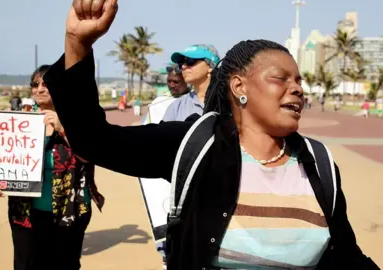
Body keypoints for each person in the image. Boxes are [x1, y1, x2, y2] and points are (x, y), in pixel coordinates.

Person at [42, 1, 380, 269]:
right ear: (239, 86)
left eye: (300, 82)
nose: (297, 90)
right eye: (282, 79)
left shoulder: (317, 163)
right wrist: (77, 43)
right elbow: (95, 141)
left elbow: (346, 256)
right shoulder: (197, 145)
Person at [0, 65, 104, 270]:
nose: (39, 89)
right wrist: (0, 182)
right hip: (25, 212)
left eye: (46, 84)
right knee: (26, 264)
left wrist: (62, 128)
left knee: (64, 265)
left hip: (68, 210)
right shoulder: (20, 120)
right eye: (35, 84)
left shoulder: (78, 118)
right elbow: (4, 158)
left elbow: (90, 155)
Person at [162, 44, 220, 121]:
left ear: (210, 66)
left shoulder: (229, 101)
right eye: (181, 63)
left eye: (190, 61)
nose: (183, 66)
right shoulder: (176, 107)